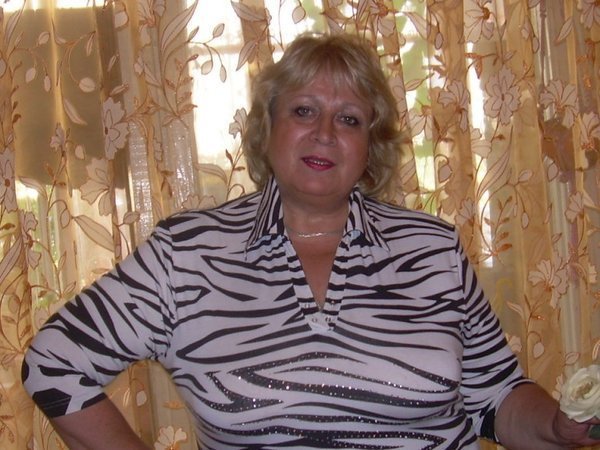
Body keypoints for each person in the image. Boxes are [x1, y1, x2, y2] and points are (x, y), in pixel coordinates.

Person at [21, 33, 600, 450]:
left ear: (370, 146)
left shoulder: (433, 250)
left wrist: (557, 425)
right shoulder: (187, 253)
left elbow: (496, 397)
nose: (325, 132)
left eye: (349, 119)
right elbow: (56, 363)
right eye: (304, 111)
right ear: (267, 128)